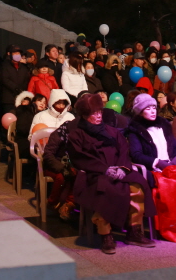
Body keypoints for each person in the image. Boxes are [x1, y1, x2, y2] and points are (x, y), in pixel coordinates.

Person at [67, 93, 156, 253]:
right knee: (104, 189)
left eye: (99, 112)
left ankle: (134, 231)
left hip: (119, 169)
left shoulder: (112, 131)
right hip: (94, 173)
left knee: (137, 184)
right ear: (85, 115)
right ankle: (105, 234)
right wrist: (105, 169)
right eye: (94, 113)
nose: (98, 116)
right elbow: (79, 157)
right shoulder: (77, 134)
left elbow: (123, 150)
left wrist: (122, 168)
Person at [126, 94, 176, 186]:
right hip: (155, 170)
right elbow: (136, 155)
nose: (152, 112)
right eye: (148, 109)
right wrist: (158, 162)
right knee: (169, 186)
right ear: (140, 112)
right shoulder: (136, 130)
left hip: (172, 166)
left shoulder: (164, 126)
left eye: (154, 108)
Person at [0, 47, 31, 115]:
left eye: (18, 53)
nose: (17, 55)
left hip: (20, 98)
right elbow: (5, 79)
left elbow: (26, 80)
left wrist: (22, 91)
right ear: (10, 55)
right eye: (15, 53)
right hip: (8, 99)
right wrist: (16, 88)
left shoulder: (24, 68)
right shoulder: (4, 66)